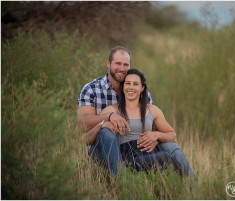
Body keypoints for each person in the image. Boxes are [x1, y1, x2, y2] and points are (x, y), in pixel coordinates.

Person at [77, 46, 192, 177]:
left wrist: (156, 136)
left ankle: (192, 185)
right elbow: (82, 125)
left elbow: (155, 126)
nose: (121, 68)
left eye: (125, 64)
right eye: (118, 63)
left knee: (170, 147)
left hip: (141, 152)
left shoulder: (144, 99)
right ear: (108, 64)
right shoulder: (92, 90)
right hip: (103, 148)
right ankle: (120, 177)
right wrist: (107, 118)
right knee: (106, 132)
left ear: (142, 88)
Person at [99, 69, 189, 174]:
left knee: (172, 156)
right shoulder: (111, 110)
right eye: (127, 83)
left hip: (150, 154)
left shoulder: (153, 110)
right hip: (126, 157)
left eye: (136, 84)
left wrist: (157, 135)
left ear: (142, 88)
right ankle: (122, 175)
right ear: (123, 87)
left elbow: (172, 135)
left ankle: (189, 184)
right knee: (166, 158)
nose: (131, 87)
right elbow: (98, 135)